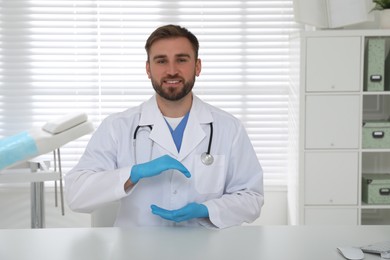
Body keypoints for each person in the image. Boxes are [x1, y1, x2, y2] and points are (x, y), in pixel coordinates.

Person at [65, 24, 264, 229]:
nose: (171, 71)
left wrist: (208, 209)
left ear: (197, 66)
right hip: (137, 249)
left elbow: (252, 198)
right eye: (161, 61)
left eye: (181, 59)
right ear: (148, 69)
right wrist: (132, 174)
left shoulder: (229, 128)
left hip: (205, 248)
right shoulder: (117, 127)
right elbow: (75, 194)